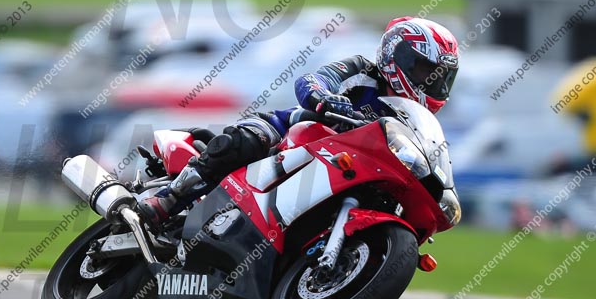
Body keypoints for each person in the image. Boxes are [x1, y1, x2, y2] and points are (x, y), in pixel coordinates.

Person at [138, 16, 460, 228]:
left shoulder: (414, 119)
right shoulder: (363, 71)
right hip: (297, 135)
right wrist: (324, 97)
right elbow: (315, 79)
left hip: (351, 172)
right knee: (249, 139)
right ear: (396, 56)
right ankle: (168, 199)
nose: (430, 82)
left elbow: (429, 153)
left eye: (439, 77)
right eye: (422, 70)